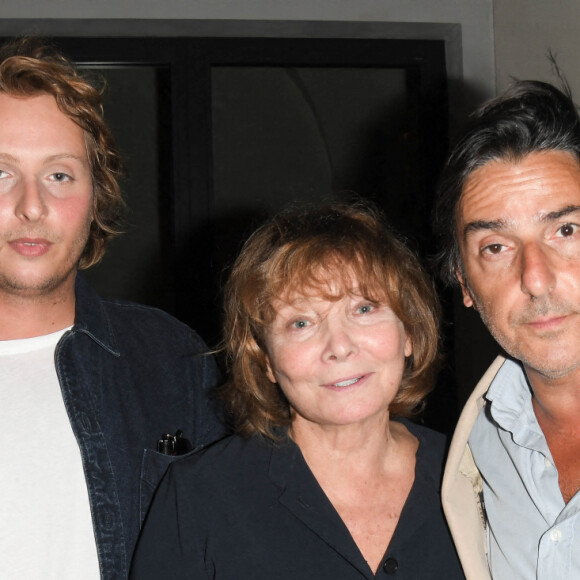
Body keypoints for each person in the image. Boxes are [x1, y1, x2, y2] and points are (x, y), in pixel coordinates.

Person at [130, 201, 464, 579]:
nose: (339, 346)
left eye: (364, 309)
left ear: (410, 332)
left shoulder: (476, 476)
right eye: (301, 323)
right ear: (266, 359)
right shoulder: (199, 496)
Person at [0, 37, 225, 580]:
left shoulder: (173, 360)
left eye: (59, 175)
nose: (32, 206)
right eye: (0, 173)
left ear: (97, 196)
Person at [433, 80, 580, 579]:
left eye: (566, 230)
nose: (535, 279)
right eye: (495, 246)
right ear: (465, 283)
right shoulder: (473, 451)